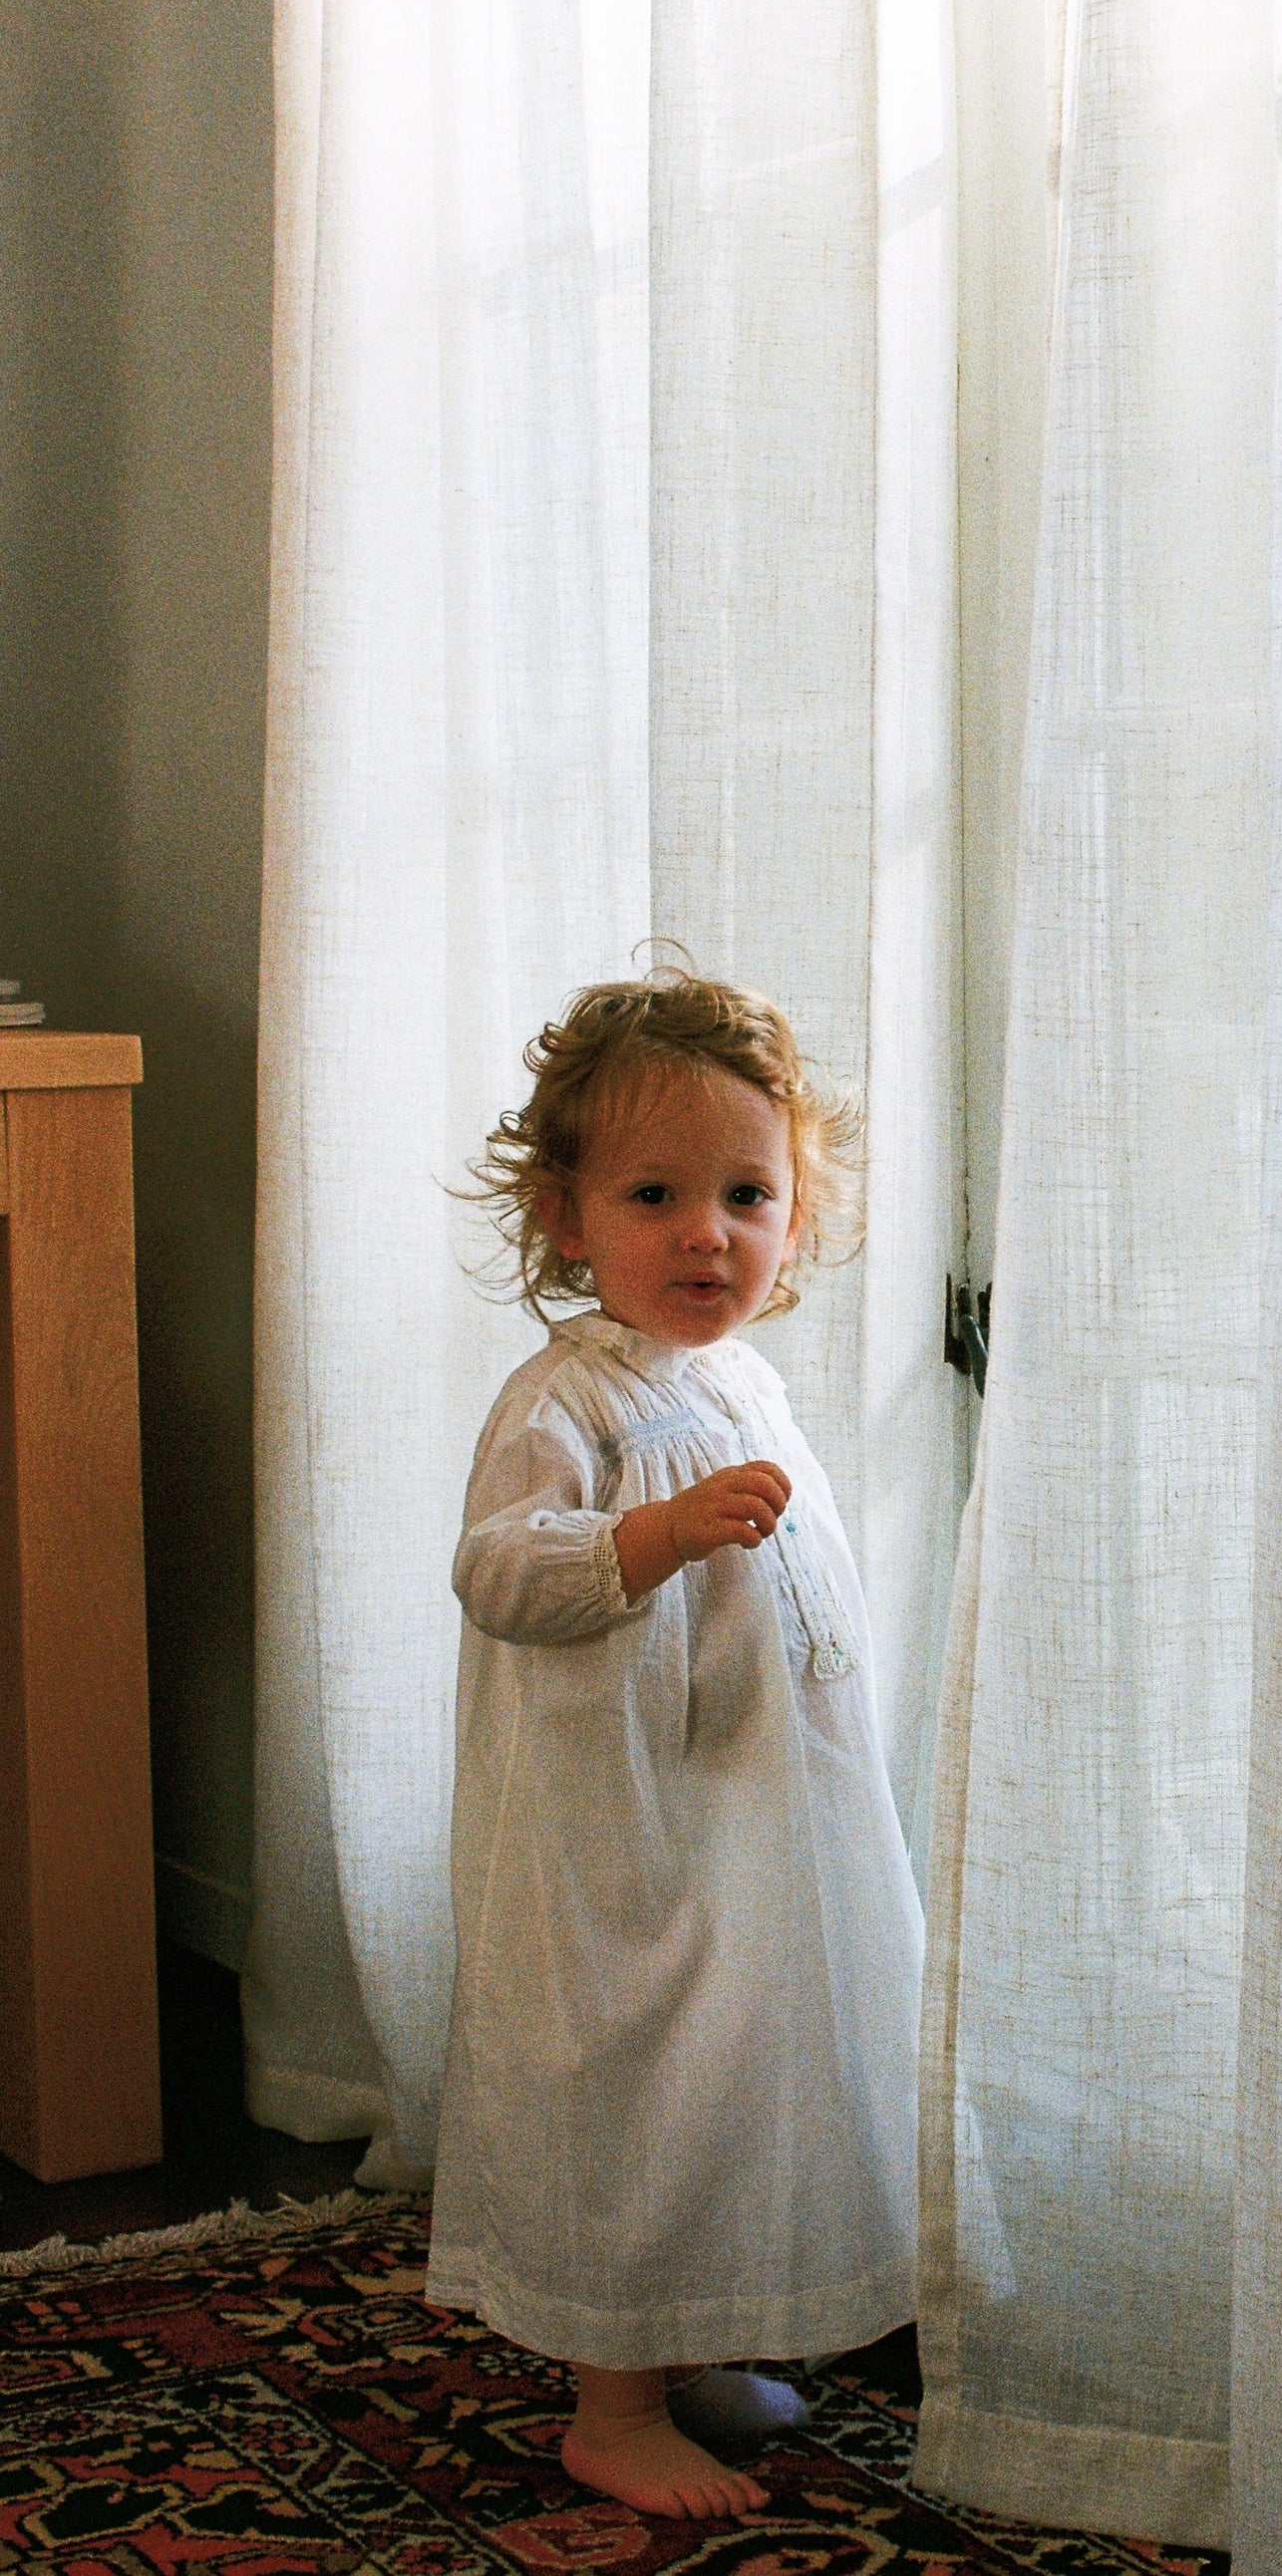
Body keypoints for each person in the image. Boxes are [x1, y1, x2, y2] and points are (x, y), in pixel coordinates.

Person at [426, 969, 923, 2520]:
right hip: (618, 1842)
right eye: (656, 1195)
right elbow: (501, 1568)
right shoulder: (564, 1400)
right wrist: (646, 1536)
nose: (708, 1232)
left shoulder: (743, 1376)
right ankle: (609, 2405)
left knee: (738, 2076)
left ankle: (682, 2330)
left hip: (749, 1825)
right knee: (629, 2084)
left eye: (745, 1193)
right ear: (568, 1219)